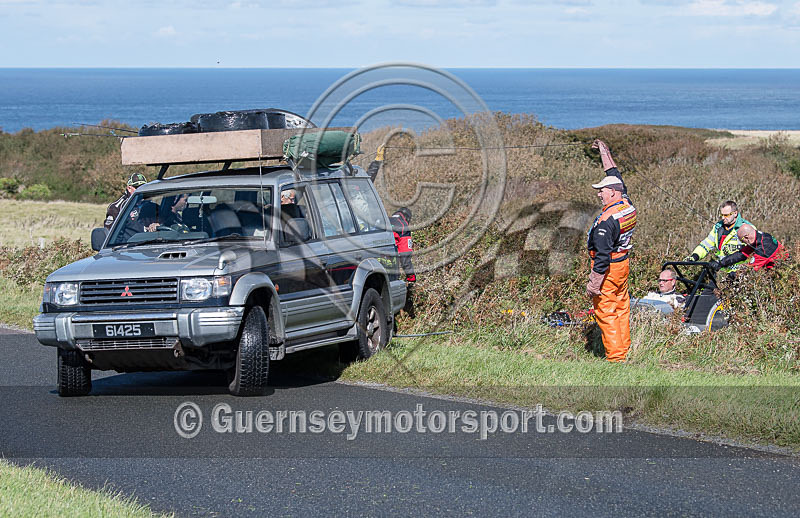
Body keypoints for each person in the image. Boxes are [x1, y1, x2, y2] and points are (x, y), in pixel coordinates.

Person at [586, 174, 637, 363]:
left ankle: (616, 358)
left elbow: (602, 257)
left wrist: (594, 283)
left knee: (606, 311)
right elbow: (617, 175)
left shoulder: (606, 221)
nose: (599, 194)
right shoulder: (628, 207)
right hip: (623, 264)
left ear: (613, 192)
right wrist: (604, 153)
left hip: (607, 269)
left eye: (602, 191)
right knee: (622, 307)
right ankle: (625, 348)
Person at [687, 201, 754, 273]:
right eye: (721, 215)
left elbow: (754, 253)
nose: (723, 218)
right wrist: (694, 256)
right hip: (719, 271)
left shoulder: (747, 228)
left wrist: (742, 270)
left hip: (739, 273)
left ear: (735, 213)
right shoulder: (717, 227)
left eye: (726, 215)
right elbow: (706, 245)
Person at [710, 223, 786, 272]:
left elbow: (750, 270)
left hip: (781, 272)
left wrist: (734, 274)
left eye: (743, 241)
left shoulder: (764, 246)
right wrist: (721, 263)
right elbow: (741, 254)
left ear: (746, 237)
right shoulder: (757, 238)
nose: (743, 243)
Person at [390, 207, 415, 284]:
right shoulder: (403, 226)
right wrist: (411, 278)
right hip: (389, 268)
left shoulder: (383, 219)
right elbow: (405, 258)